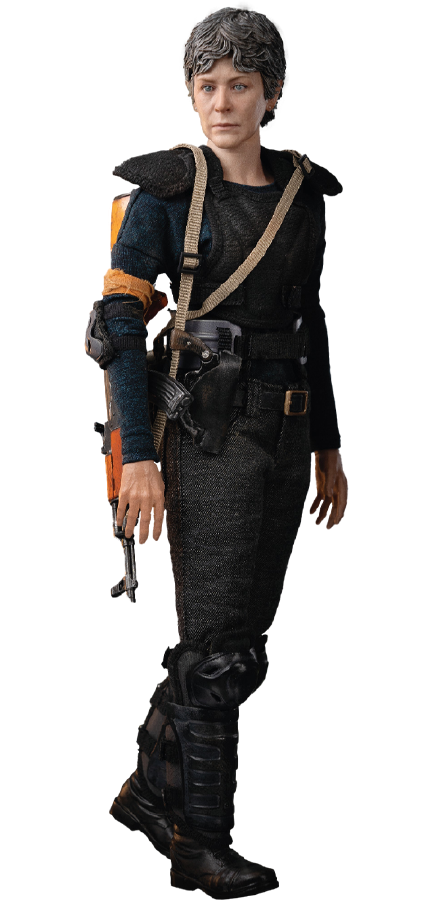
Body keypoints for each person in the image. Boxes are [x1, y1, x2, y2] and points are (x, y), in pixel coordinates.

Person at [98, 4, 349, 896]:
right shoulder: (166, 189)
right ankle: (196, 845)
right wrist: (137, 455)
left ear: (271, 94)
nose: (222, 103)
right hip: (203, 434)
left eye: (240, 85)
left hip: (284, 431)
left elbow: (310, 322)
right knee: (218, 652)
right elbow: (117, 325)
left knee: (240, 641)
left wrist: (329, 445)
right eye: (206, 85)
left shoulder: (303, 191)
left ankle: (144, 793)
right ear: (188, 91)